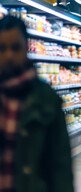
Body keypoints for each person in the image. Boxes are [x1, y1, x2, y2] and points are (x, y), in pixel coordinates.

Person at [0, 15, 74, 192]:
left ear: (26, 47)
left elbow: (60, 166)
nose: (8, 55)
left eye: (15, 48)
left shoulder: (47, 99)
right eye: (2, 48)